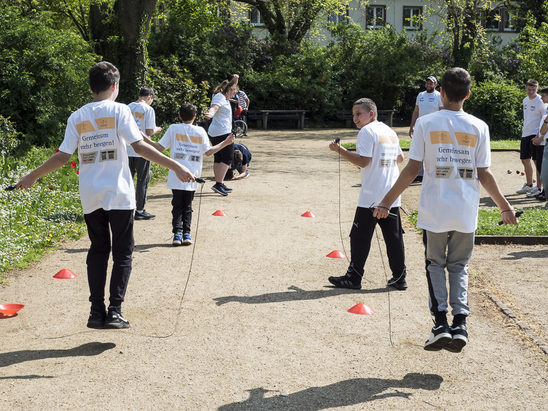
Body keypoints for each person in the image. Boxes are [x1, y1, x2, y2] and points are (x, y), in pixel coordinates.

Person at [15, 62, 195, 329]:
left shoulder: (77, 116)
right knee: (123, 252)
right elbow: (140, 147)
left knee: (98, 250)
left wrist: (33, 175)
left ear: (90, 87)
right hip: (119, 194)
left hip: (91, 194)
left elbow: (63, 156)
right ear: (115, 86)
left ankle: (96, 312)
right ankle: (115, 311)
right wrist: (177, 165)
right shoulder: (120, 110)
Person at [374, 67, 519, 353]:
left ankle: (441, 324)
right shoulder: (479, 126)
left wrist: (386, 201)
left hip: (435, 210)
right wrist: (505, 207)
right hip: (465, 211)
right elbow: (484, 174)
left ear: (440, 92)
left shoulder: (427, 124)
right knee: (459, 266)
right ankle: (461, 323)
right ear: (467, 94)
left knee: (435, 264)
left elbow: (412, 169)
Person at [327, 98, 408, 291]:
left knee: (359, 237)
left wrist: (339, 150)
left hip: (372, 195)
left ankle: (353, 278)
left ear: (371, 113)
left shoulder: (367, 131)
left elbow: (363, 161)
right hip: (392, 193)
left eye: (358, 114)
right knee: (394, 237)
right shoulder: (389, 131)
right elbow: (400, 158)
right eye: (353, 114)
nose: (355, 118)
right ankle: (400, 278)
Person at [142, 103, 234, 246]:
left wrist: (143, 138)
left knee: (177, 205)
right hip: (193, 174)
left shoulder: (173, 128)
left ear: (179, 116)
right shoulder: (200, 131)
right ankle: (187, 234)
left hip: (176, 173)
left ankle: (177, 234)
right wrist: (226, 142)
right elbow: (209, 152)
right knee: (188, 205)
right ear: (195, 117)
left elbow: (159, 147)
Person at [127, 87, 162, 220]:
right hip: (142, 148)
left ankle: (126, 208)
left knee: (128, 179)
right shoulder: (148, 109)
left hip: (128, 147)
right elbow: (149, 131)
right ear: (149, 97)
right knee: (142, 180)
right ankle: (140, 210)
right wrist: (157, 129)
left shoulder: (127, 107)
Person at [204, 77, 238, 196]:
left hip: (217, 132)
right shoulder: (220, 97)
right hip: (222, 133)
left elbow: (231, 86)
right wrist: (210, 113)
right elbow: (214, 108)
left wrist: (235, 79)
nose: (235, 94)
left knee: (218, 158)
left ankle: (219, 182)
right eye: (234, 91)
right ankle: (218, 184)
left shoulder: (224, 97)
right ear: (229, 89)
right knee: (227, 158)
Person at [409, 76, 443, 183]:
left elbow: (442, 112)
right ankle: (419, 175)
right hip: (421, 127)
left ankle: (435, 173)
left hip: (434, 128)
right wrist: (411, 126)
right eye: (427, 83)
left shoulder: (439, 96)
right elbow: (416, 111)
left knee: (434, 151)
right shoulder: (421, 95)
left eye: (431, 83)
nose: (428, 85)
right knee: (419, 150)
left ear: (435, 85)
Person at [517, 79, 546, 196]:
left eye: (533, 89)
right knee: (524, 159)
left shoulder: (541, 101)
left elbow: (545, 120)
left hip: (535, 134)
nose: (531, 91)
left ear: (537, 89)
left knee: (536, 161)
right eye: (529, 89)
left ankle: (539, 188)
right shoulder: (525, 100)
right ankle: (529, 184)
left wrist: (540, 135)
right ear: (526, 88)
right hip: (525, 133)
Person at [537, 87, 548, 204]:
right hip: (546, 143)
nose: (541, 97)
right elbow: (543, 130)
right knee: (544, 174)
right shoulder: (546, 109)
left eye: (543, 95)